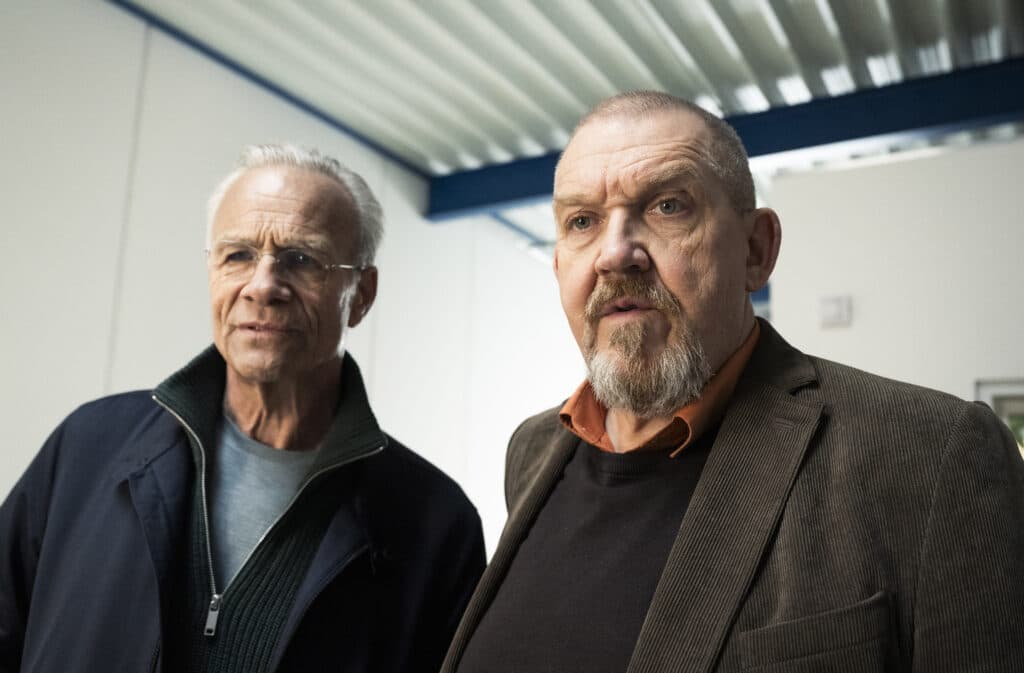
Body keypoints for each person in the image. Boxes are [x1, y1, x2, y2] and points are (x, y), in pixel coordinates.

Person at [442, 92, 1024, 673]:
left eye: (668, 206)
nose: (614, 254)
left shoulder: (934, 454)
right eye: (582, 222)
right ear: (559, 264)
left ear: (756, 250)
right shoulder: (532, 451)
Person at [0, 144, 485, 673]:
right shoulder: (88, 446)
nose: (263, 286)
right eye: (237, 256)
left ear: (361, 294)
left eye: (302, 259)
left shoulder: (434, 524)